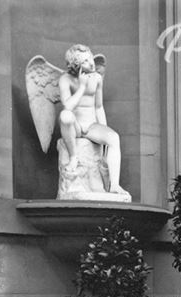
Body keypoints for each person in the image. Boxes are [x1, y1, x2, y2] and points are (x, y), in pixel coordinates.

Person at [57, 44, 124, 194]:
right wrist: (81, 86)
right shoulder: (65, 79)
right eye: (86, 61)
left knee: (114, 138)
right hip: (75, 126)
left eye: (90, 58)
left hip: (91, 125)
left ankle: (114, 185)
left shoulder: (97, 78)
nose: (92, 63)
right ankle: (74, 157)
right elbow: (67, 106)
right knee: (65, 116)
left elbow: (99, 107)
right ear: (76, 65)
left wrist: (104, 135)